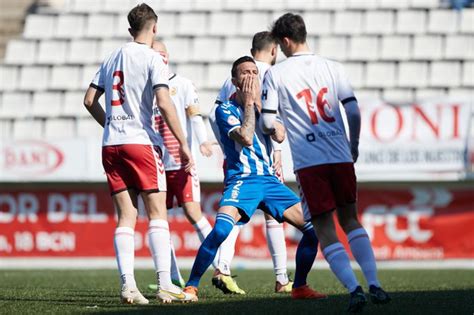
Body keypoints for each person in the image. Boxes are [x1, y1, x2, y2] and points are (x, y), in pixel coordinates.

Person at [261, 13, 391, 312]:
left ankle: (354, 289)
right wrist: (353, 144)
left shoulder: (276, 73)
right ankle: (374, 284)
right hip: (340, 155)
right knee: (350, 219)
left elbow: (268, 120)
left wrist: (276, 127)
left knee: (324, 228)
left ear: (284, 41)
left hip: (310, 161)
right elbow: (354, 111)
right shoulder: (334, 67)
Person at [183, 56, 327, 302]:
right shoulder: (224, 109)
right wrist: (250, 104)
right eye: (244, 73)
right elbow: (246, 137)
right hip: (243, 180)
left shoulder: (266, 106)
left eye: (253, 72)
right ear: (235, 81)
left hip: (270, 181)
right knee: (220, 231)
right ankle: (191, 286)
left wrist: (261, 108)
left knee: (315, 229)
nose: (251, 76)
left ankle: (300, 286)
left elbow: (279, 135)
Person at [83, 4, 194, 304]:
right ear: (154, 27)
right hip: (141, 142)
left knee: (126, 216)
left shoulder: (110, 57)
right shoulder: (152, 57)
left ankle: (128, 286)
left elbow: (89, 99)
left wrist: (110, 122)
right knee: (157, 213)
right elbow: (164, 101)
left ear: (130, 30)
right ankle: (164, 283)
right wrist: (182, 143)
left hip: (111, 144)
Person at [209, 31, 292, 294]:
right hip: (265, 161)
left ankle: (222, 268)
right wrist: (277, 152)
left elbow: (215, 115)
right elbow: (273, 120)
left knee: (234, 215)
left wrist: (227, 148)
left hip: (236, 157)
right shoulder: (272, 76)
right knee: (274, 218)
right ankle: (281, 278)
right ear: (274, 51)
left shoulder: (233, 78)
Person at [149, 41, 217, 289]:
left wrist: (202, 142)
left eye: (160, 55)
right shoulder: (147, 87)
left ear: (166, 56)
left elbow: (194, 116)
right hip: (156, 163)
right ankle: (172, 276)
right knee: (158, 220)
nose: (158, 59)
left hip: (181, 162)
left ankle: (220, 267)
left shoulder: (183, 84)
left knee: (192, 212)